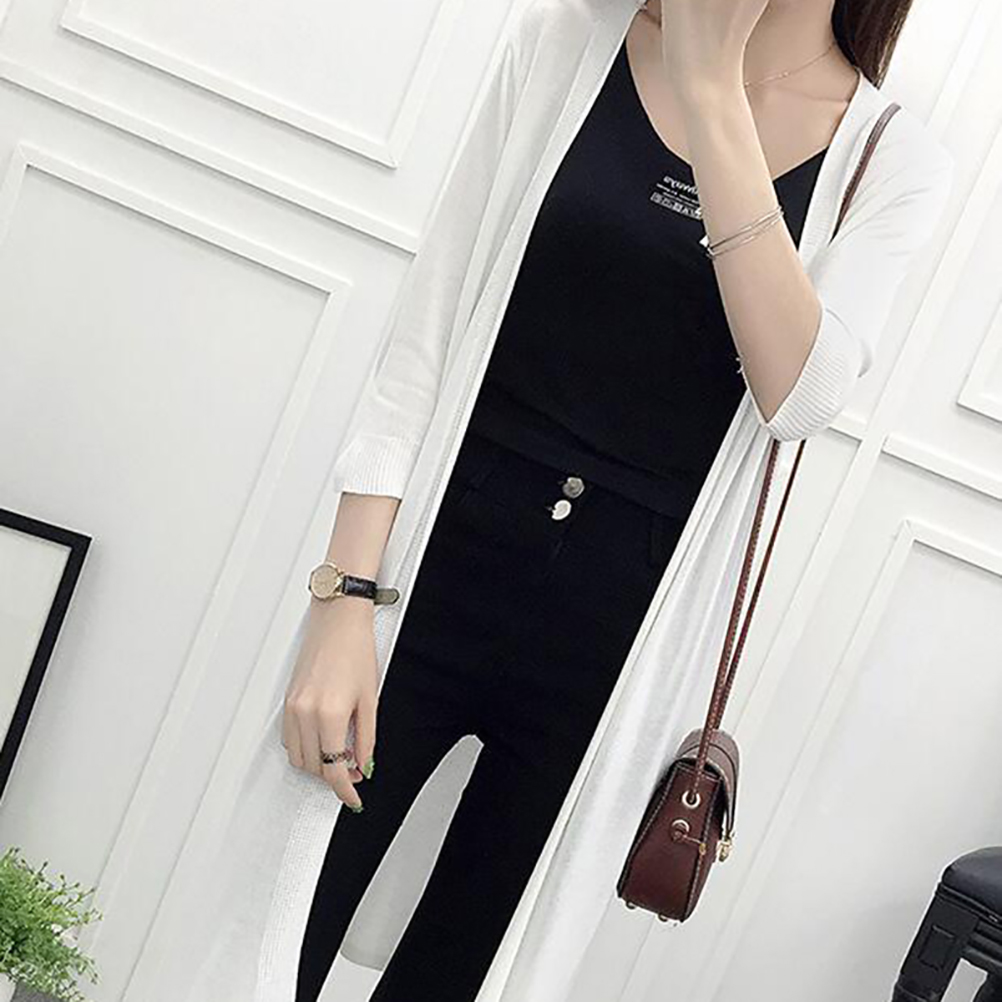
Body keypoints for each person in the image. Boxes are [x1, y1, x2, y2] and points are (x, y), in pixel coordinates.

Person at [217, 1, 955, 1000]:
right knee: (272, 938)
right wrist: (344, 599)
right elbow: (420, 345)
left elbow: (801, 394)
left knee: (471, 970)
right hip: (428, 573)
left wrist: (710, 87)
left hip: (620, 635)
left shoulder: (890, 159)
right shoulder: (567, 41)